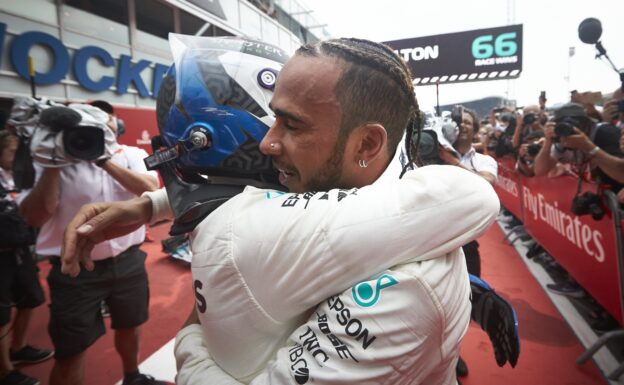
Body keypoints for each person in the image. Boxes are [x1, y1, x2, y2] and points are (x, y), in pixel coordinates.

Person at [62, 37, 501, 384]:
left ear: (367, 144)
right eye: (273, 119)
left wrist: (192, 338)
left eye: (291, 125)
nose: (267, 143)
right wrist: (148, 205)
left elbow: (471, 196)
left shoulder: (407, 287)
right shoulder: (388, 190)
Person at [15, 102, 161, 385]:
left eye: (103, 124)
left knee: (131, 325)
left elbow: (152, 191)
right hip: (74, 270)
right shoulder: (46, 161)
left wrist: (103, 159)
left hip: (129, 261)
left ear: (113, 124)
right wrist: (53, 165)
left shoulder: (129, 154)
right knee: (71, 349)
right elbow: (34, 217)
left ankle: (133, 376)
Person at [0, 130, 53, 385]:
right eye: (12, 151)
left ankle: (18, 348)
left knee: (30, 300)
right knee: (1, 315)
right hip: (1, 256)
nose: (17, 156)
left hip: (22, 250)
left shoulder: (23, 176)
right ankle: (5, 370)